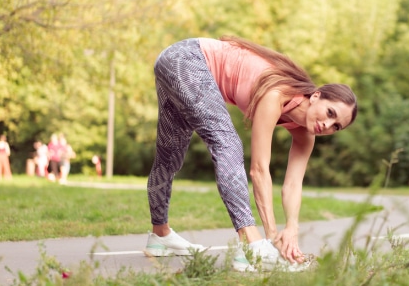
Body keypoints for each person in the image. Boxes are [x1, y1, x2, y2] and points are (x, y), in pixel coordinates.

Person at [145, 36, 357, 272]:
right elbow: (259, 170)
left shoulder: (306, 136)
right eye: (330, 113)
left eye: (336, 126)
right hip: (186, 58)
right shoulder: (276, 95)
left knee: (169, 156)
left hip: (173, 61)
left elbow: (293, 185)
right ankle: (251, 245)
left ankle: (160, 236)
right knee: (227, 142)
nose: (328, 125)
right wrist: (272, 237)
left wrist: (292, 228)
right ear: (316, 96)